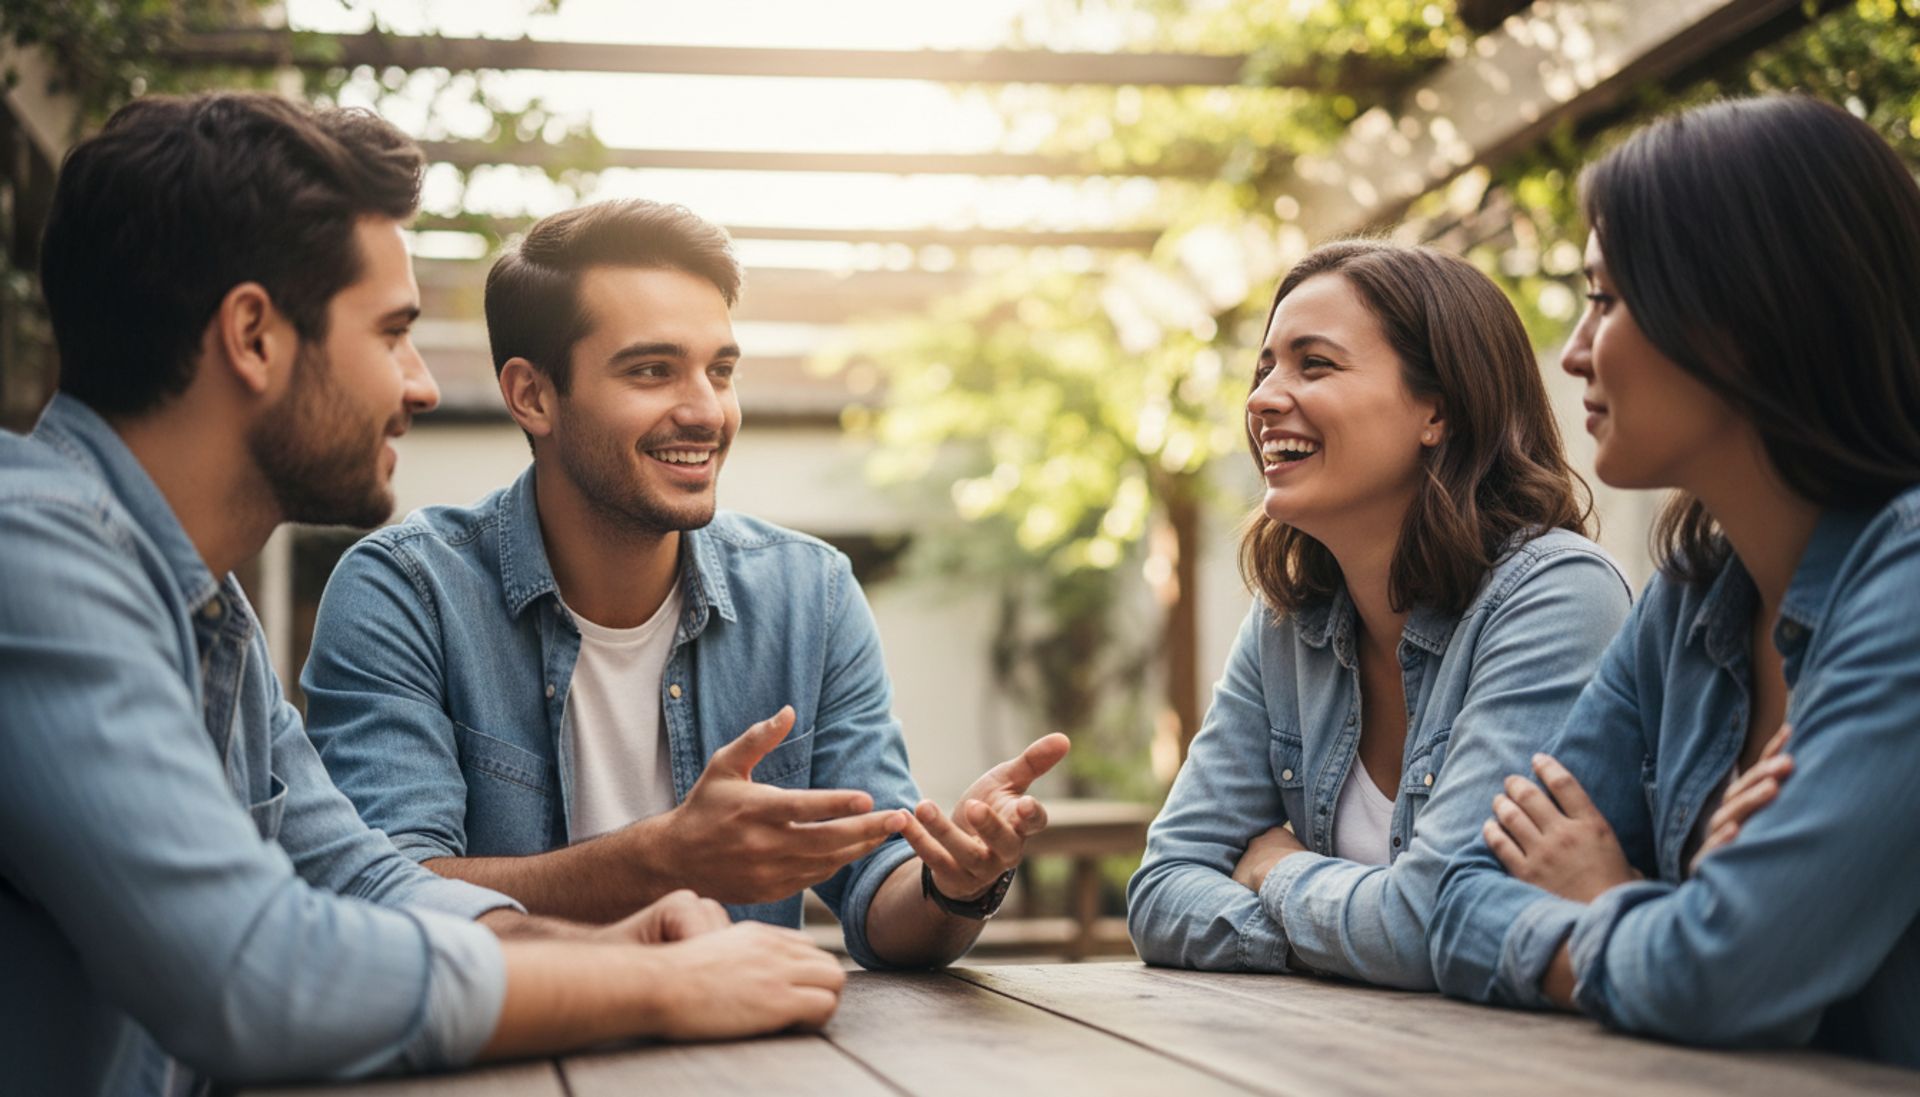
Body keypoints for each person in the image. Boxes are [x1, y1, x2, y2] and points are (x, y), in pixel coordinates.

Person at [0, 92, 850, 1097]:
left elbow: (360, 880)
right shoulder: (30, 552)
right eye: (394, 331)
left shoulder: (205, 610)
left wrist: (610, 947)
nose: (422, 385)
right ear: (254, 337)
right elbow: (253, 969)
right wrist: (652, 986)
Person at [300, 197, 1070, 969]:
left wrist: (954, 882)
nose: (707, 411)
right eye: (652, 370)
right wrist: (663, 858)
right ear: (532, 395)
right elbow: (389, 894)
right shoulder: (406, 593)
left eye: (721, 370)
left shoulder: (811, 595)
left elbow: (879, 894)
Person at [1429, 95, 1920, 1067]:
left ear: (1743, 315)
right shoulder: (1691, 594)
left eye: (1605, 299)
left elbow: (1724, 971)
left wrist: (1616, 900)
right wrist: (1686, 922)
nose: (1572, 351)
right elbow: (1458, 901)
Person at [1127, 240, 1630, 985]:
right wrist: (1354, 932)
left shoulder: (1555, 598)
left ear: (1439, 410)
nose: (1263, 398)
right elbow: (1163, 886)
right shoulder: (1287, 621)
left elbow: (1433, 916)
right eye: (1265, 366)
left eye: (1314, 364)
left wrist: (1277, 868)